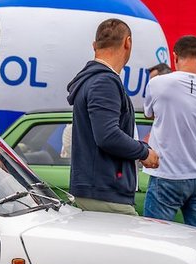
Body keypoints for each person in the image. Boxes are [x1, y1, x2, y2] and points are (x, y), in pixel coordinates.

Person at [66, 18, 158, 215]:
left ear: (94, 46)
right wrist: (144, 152)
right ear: (128, 42)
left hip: (97, 190)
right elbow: (108, 136)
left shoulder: (94, 80)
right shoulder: (104, 82)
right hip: (105, 190)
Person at [143, 36, 196, 230]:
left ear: (174, 57)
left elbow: (149, 113)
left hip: (166, 172)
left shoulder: (157, 84)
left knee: (154, 237)